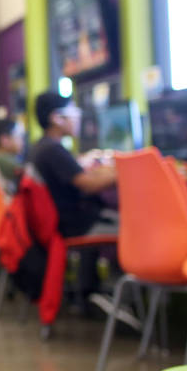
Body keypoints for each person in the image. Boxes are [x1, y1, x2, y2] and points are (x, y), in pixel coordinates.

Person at [27, 91, 118, 315]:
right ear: (57, 119)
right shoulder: (53, 150)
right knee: (133, 227)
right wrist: (125, 171)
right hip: (74, 225)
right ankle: (123, 299)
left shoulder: (43, 147)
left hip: (66, 222)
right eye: (73, 112)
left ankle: (89, 294)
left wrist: (109, 169)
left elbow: (81, 175)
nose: (78, 117)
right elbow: (88, 184)